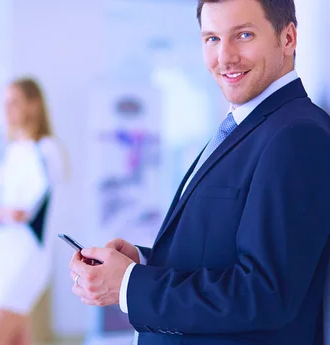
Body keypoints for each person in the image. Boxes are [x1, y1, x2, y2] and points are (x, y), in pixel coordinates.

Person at [68, 0, 330, 344]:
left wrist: (130, 285)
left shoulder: (296, 135)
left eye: (244, 35)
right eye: (212, 39)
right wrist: (144, 263)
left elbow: (265, 294)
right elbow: (222, 252)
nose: (225, 57)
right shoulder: (245, 126)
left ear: (288, 38)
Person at [0, 78, 67, 345]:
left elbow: (25, 212)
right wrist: (2, 212)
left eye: (13, 103)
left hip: (28, 260)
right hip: (1, 260)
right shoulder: (6, 153)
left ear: (33, 105)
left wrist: (1, 212)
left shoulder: (47, 151)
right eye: (4, 103)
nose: (6, 110)